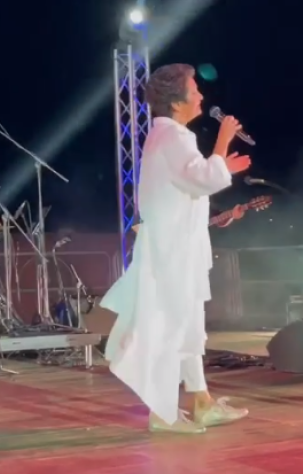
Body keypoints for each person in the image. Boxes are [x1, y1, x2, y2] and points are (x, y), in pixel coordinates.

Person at [101, 63, 251, 434]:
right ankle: (163, 413)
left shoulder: (169, 136)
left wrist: (221, 165)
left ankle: (202, 402)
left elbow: (194, 182)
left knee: (188, 327)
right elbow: (203, 179)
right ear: (177, 101)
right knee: (171, 328)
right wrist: (223, 142)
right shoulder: (173, 137)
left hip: (180, 250)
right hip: (173, 253)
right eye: (194, 90)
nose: (201, 96)